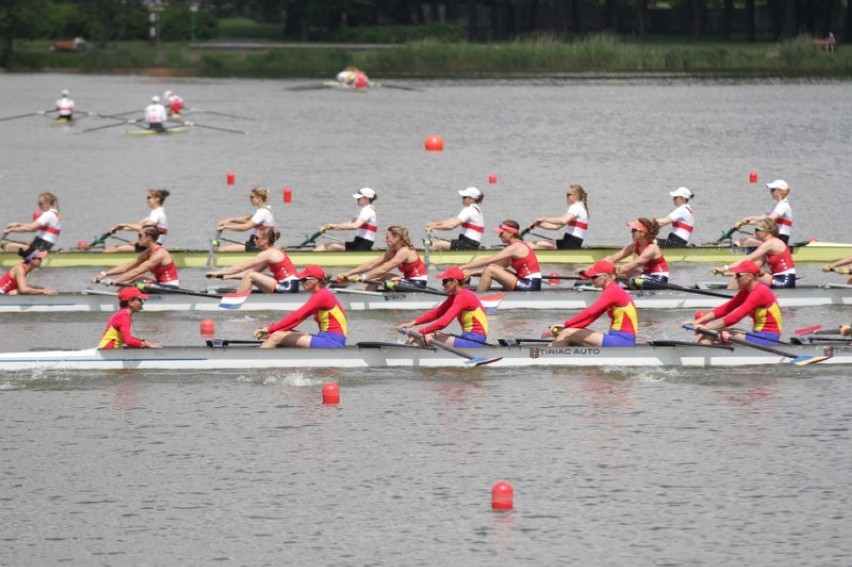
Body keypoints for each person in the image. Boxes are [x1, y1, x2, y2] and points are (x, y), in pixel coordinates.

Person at [683, 259, 782, 347]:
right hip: (757, 335)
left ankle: (698, 356)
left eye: (738, 275)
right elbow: (725, 309)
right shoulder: (747, 290)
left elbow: (735, 317)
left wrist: (707, 327)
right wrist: (697, 322)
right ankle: (698, 351)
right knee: (713, 331)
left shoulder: (760, 292)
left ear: (750, 276)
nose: (735, 278)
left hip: (768, 338)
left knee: (713, 332)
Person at [254, 265, 347, 349]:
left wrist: (270, 329)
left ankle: (256, 361)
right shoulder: (320, 294)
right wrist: (273, 328)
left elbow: (297, 316)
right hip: (325, 337)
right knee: (282, 334)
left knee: (276, 336)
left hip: (332, 342)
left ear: (314, 280)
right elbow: (299, 319)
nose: (301, 283)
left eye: (304, 280)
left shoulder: (322, 295)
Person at [549, 260, 637, 347]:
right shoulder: (611, 290)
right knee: (569, 332)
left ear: (605, 276)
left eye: (594, 277)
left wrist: (565, 325)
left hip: (622, 340)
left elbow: (590, 311)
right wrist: (568, 327)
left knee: (566, 333)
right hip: (616, 337)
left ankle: (547, 357)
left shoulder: (613, 291)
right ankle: (552, 355)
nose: (591, 279)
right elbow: (591, 317)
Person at [396, 266, 489, 348]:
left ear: (454, 281)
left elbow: (444, 322)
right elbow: (438, 312)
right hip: (468, 337)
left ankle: (406, 354)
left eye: (445, 281)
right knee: (431, 334)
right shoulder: (455, 295)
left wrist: (420, 332)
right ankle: (408, 350)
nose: (442, 285)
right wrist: (412, 323)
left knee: (430, 336)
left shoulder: (463, 296)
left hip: (475, 341)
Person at [206, 227, 300, 294]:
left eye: (257, 238)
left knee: (251, 276)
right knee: (252, 274)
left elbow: (241, 267)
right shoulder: (270, 253)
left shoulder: (268, 253)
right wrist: (227, 275)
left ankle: (235, 302)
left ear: (265, 240)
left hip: (287, 287)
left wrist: (218, 272)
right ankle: (242, 298)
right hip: (289, 286)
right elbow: (251, 271)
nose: (254, 240)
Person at [460, 220, 542, 292]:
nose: (499, 235)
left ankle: (478, 298)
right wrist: (470, 272)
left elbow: (487, 260)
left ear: (510, 233)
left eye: (501, 233)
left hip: (529, 284)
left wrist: (462, 267)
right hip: (526, 281)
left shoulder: (515, 247)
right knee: (492, 267)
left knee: (490, 269)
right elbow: (496, 267)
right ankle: (480, 294)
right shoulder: (513, 249)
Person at [336, 226, 428, 290]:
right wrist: (349, 273)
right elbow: (371, 264)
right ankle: (366, 295)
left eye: (388, 238)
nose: (386, 240)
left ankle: (368, 298)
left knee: (380, 275)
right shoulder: (392, 251)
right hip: (407, 281)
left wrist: (362, 277)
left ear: (396, 238)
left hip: (418, 284)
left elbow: (385, 268)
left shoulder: (405, 251)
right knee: (375, 275)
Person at [714, 219, 796, 289]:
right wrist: (731, 271)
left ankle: (727, 299)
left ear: (767, 231)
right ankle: (734, 295)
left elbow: (748, 259)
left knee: (741, 273)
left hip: (783, 281)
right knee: (741, 272)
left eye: (757, 230)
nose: (755, 233)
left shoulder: (771, 243)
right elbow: (755, 265)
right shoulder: (768, 246)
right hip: (778, 278)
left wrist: (726, 268)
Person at [92, 227, 179, 288]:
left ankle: (125, 300)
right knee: (137, 279)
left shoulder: (159, 254)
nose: (138, 238)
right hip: (160, 284)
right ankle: (123, 298)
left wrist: (116, 281)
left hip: (169, 287)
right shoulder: (148, 252)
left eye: (140, 235)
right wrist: (104, 274)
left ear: (149, 238)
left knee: (135, 282)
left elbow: (137, 271)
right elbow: (127, 267)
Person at [603, 218, 669, 283]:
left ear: (642, 233)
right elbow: (612, 259)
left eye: (634, 230)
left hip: (659, 278)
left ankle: (612, 287)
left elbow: (629, 266)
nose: (631, 232)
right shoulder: (634, 245)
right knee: (623, 273)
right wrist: (596, 268)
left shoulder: (651, 249)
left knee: (621, 273)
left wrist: (610, 273)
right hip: (645, 275)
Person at [105, 188, 170, 253]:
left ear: (157, 199)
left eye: (149, 197)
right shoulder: (154, 214)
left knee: (111, 249)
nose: (147, 200)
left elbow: (146, 229)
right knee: (113, 248)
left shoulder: (157, 213)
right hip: (150, 244)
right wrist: (117, 228)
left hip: (151, 246)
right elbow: (135, 227)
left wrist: (125, 224)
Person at [527, 184, 590, 250]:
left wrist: (542, 218)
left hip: (569, 244)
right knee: (533, 244)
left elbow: (563, 220)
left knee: (531, 245)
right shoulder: (579, 208)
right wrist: (537, 224)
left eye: (568, 195)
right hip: (570, 243)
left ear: (575, 196)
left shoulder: (576, 207)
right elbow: (555, 227)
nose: (566, 197)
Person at [315, 188, 378, 252]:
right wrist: (328, 228)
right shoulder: (362, 210)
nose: (357, 199)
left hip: (361, 245)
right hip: (358, 243)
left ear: (366, 199)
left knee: (324, 246)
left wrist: (332, 225)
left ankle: (311, 261)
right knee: (325, 246)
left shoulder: (367, 210)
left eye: (359, 198)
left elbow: (355, 226)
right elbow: (349, 223)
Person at [215, 187, 276, 252]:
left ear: (259, 198)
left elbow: (245, 227)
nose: (250, 199)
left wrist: (225, 227)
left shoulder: (262, 212)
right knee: (232, 246)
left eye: (252, 197)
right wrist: (229, 220)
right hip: (255, 242)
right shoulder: (264, 209)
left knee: (221, 250)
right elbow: (245, 220)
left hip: (258, 245)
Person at [3, 192, 62, 256]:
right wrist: (18, 225)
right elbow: (34, 228)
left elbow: (30, 228)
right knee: (10, 244)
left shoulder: (48, 215)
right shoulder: (55, 213)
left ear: (48, 202)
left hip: (40, 247)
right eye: (38, 204)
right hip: (42, 245)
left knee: (8, 246)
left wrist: (11, 230)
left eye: (40, 204)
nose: (39, 206)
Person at [425, 187, 485, 251]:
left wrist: (433, 227)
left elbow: (451, 226)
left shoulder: (469, 210)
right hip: (470, 242)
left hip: (469, 243)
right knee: (437, 241)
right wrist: (434, 224)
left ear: (472, 199)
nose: (462, 199)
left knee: (435, 245)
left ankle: (424, 259)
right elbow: (452, 221)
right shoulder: (476, 209)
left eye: (464, 197)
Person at [736, 179, 792, 245]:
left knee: (742, 241)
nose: (770, 192)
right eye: (770, 190)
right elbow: (762, 218)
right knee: (743, 240)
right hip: (773, 237)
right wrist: (744, 222)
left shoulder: (783, 205)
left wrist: (751, 218)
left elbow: (769, 220)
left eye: (773, 190)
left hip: (780, 239)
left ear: (780, 191)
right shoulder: (775, 205)